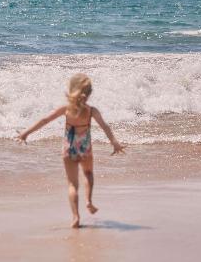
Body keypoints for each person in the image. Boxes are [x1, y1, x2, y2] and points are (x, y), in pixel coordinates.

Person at [17, 73, 126, 228]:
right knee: (88, 174)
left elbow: (44, 120)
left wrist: (25, 133)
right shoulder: (91, 111)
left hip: (69, 149)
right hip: (85, 148)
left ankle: (75, 217)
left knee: (72, 185)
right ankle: (89, 201)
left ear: (71, 90)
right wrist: (115, 143)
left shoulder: (66, 109)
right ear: (89, 93)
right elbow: (105, 126)